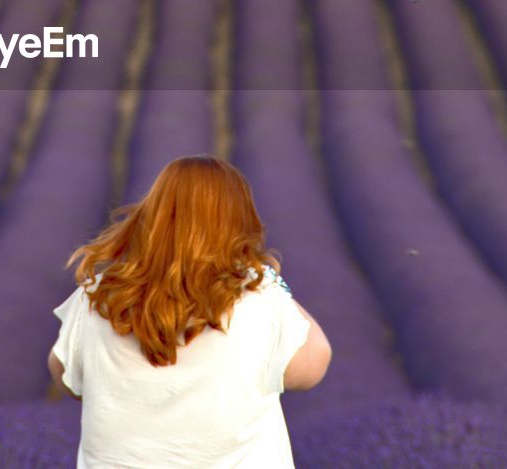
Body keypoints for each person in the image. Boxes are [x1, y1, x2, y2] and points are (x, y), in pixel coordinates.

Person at [47, 154, 332, 468]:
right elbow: (314, 363)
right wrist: (270, 279)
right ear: (240, 223)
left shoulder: (98, 297)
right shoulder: (259, 299)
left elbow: (66, 377)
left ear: (152, 217)